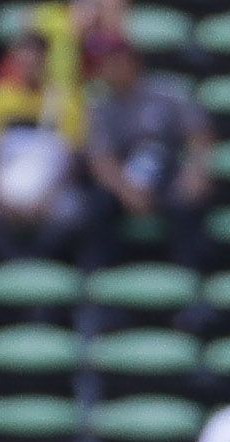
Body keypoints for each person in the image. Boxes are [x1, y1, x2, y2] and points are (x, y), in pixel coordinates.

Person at [79, 32, 209, 269]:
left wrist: (194, 174)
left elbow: (199, 137)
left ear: (133, 61)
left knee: (188, 203)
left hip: (166, 171)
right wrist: (125, 190)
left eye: (114, 61)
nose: (108, 68)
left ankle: (191, 278)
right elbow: (101, 159)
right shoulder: (100, 106)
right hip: (123, 175)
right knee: (96, 205)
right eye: (104, 63)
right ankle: (100, 281)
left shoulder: (167, 92)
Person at [0, 27, 84, 259]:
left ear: (46, 60)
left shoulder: (66, 102)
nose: (30, 64)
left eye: (36, 58)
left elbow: (72, 159)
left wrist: (48, 199)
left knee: (72, 213)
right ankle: (12, 263)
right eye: (24, 57)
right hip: (2, 191)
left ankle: (37, 261)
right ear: (14, 59)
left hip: (50, 193)